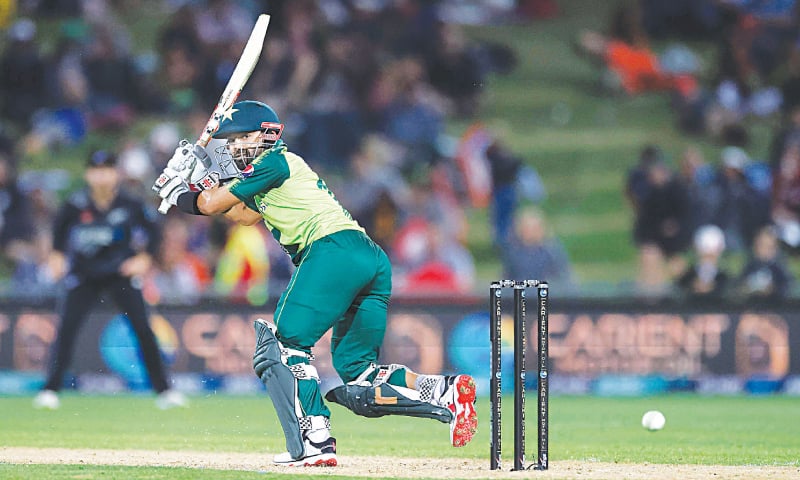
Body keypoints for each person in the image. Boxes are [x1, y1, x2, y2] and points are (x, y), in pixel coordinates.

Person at [152, 100, 478, 467]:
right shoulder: (276, 169)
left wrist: (179, 191)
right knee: (359, 370)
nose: (229, 148)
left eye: (237, 139)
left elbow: (211, 205)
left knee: (285, 342)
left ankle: (316, 440)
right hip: (368, 257)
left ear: (263, 135)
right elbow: (240, 215)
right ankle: (446, 391)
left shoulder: (272, 160)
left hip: (330, 251)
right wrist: (200, 185)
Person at [33, 150, 186, 411]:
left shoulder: (130, 203)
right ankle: (50, 390)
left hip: (120, 274)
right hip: (84, 275)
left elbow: (154, 233)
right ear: (88, 174)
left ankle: (164, 390)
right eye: (96, 170)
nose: (102, 176)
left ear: (116, 174)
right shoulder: (75, 203)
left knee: (144, 330)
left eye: (107, 170)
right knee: (67, 330)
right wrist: (56, 258)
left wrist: (145, 259)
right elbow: (58, 235)